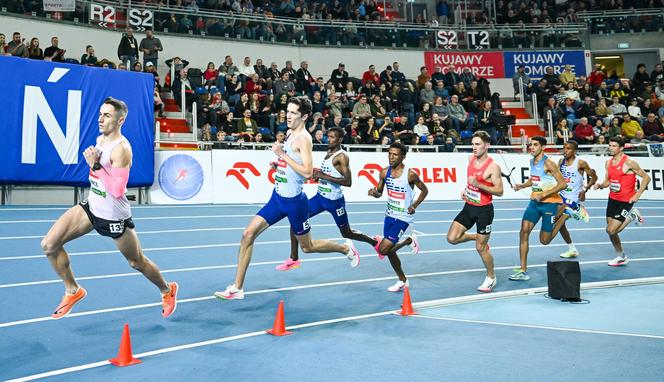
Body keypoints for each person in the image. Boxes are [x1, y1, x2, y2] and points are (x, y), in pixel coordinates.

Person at [40, 97, 178, 319]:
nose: (100, 119)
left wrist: (94, 165)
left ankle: (167, 289)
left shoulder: (121, 149)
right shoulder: (100, 139)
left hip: (114, 217)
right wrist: (94, 169)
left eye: (107, 116)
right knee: (49, 244)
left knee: (137, 262)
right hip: (91, 208)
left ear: (120, 120)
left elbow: (116, 188)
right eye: (100, 114)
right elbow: (99, 179)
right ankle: (73, 290)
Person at [215, 97, 360, 300]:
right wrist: (279, 164)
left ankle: (345, 248)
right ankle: (238, 287)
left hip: (295, 203)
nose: (287, 115)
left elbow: (308, 173)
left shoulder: (304, 139)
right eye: (287, 111)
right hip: (277, 198)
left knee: (307, 247)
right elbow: (294, 165)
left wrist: (282, 155)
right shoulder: (291, 133)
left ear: (305, 116)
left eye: (293, 113)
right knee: (247, 234)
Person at [278, 127, 378, 271]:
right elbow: (329, 173)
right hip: (320, 198)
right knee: (296, 221)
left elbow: (348, 181)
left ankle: (374, 242)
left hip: (334, 201)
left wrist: (323, 176)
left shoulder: (341, 156)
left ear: (340, 140)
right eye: (328, 136)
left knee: (346, 232)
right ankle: (293, 258)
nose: (328, 139)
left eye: (332, 137)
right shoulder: (329, 152)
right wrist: (318, 173)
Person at [446, 131, 503, 292]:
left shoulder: (493, 167)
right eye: (472, 144)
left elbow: (499, 191)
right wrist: (466, 189)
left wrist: (479, 184)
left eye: (477, 144)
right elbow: (470, 182)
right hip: (469, 206)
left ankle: (491, 277)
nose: (474, 147)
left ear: (487, 146)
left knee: (481, 248)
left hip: (484, 211)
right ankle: (477, 237)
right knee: (451, 238)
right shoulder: (470, 159)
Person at [368, 143, 428, 292]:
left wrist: (414, 205)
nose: (391, 157)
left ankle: (409, 240)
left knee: (383, 249)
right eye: (389, 153)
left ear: (403, 157)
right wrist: (374, 193)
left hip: (403, 217)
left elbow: (424, 190)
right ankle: (402, 280)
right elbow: (380, 192)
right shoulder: (383, 172)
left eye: (395, 154)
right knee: (390, 252)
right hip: (389, 215)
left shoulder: (410, 174)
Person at [510, 136, 568, 281]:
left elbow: (563, 184)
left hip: (549, 204)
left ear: (543, 147)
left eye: (535, 145)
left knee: (544, 241)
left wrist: (544, 194)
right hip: (534, 203)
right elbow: (534, 179)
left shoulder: (549, 163)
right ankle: (522, 270)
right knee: (523, 232)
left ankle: (565, 214)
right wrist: (521, 186)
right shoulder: (532, 161)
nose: (532, 147)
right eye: (530, 145)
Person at [593, 137, 650, 266]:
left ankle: (632, 215)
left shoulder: (629, 162)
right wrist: (600, 185)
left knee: (611, 230)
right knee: (610, 231)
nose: (610, 148)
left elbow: (646, 178)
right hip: (613, 199)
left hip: (626, 200)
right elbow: (608, 181)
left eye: (614, 146)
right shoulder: (608, 162)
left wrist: (637, 194)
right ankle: (621, 256)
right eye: (610, 145)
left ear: (621, 148)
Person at [557, 140, 598, 258]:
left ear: (574, 151)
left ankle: (577, 208)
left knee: (557, 221)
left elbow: (594, 177)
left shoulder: (580, 163)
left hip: (574, 197)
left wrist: (585, 190)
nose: (565, 150)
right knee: (559, 225)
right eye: (564, 148)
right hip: (562, 196)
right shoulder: (561, 162)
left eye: (568, 148)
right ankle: (572, 249)